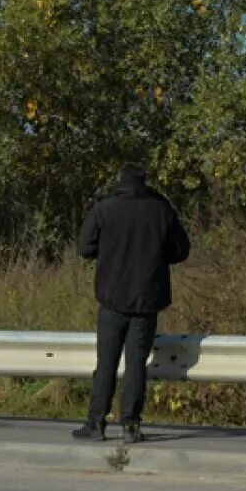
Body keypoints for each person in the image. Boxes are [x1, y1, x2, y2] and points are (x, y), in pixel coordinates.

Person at [74, 164, 191, 444]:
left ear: (120, 181)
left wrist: (108, 250)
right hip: (147, 300)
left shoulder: (105, 208)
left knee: (106, 364)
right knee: (136, 364)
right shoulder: (160, 210)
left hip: (112, 298)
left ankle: (96, 423)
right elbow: (181, 251)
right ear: (144, 182)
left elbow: (84, 248)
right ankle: (130, 425)